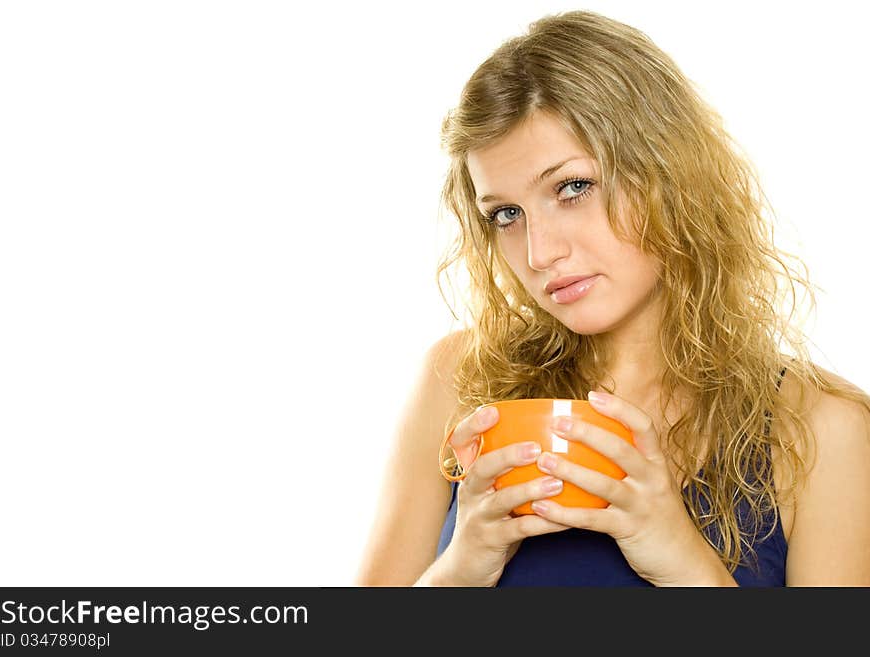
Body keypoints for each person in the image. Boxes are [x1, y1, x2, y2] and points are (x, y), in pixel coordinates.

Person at [354, 10, 870, 586]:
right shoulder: (459, 380)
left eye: (572, 187)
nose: (539, 252)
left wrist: (683, 560)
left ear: (669, 173)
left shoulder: (822, 428)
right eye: (506, 214)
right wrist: (460, 569)